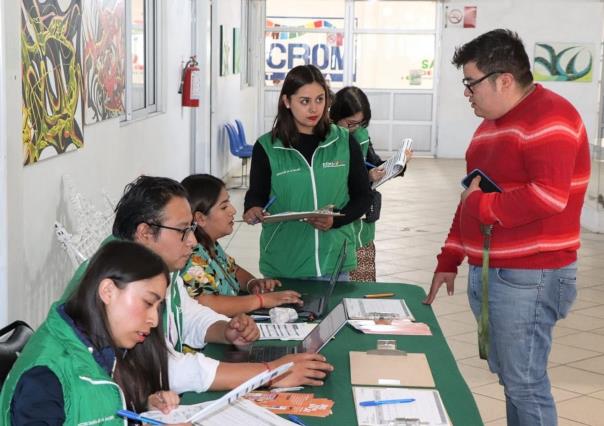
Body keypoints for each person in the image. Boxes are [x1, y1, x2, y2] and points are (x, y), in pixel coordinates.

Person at [423, 29, 590, 426]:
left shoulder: (552, 118)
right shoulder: (490, 128)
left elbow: (549, 197)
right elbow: (469, 200)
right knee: (513, 380)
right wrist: (450, 257)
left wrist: (481, 204)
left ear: (504, 80)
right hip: (493, 269)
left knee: (525, 383)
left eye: (471, 82)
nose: (467, 93)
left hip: (531, 275)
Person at [62, 176, 332, 394]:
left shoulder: (153, 265)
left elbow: (186, 312)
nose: (192, 241)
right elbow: (165, 369)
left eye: (192, 229)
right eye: (182, 230)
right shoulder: (121, 285)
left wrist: (225, 330)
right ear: (145, 233)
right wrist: (270, 372)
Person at [0, 241, 186, 425]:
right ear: (108, 291)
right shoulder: (44, 378)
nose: (154, 320)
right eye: (147, 303)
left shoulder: (100, 346)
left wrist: (143, 413)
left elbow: (97, 410)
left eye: (158, 307)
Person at [243, 64, 372, 280]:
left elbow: (363, 196)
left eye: (320, 99)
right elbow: (257, 193)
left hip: (335, 263)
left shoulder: (343, 141)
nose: (314, 109)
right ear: (286, 101)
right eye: (305, 101)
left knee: (334, 314)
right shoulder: (267, 147)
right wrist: (253, 208)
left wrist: (335, 221)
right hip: (285, 263)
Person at [180, 174, 302, 316]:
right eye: (224, 207)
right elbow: (206, 303)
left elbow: (233, 270)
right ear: (200, 218)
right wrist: (261, 300)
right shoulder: (191, 255)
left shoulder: (210, 246)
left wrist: (252, 283)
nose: (233, 211)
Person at [330, 86, 412, 281]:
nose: (355, 128)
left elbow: (374, 163)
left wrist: (398, 163)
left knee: (363, 284)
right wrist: (366, 177)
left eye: (361, 123)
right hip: (338, 223)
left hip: (362, 221)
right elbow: (331, 180)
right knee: (339, 285)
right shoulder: (326, 140)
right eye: (350, 123)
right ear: (335, 115)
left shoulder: (361, 135)